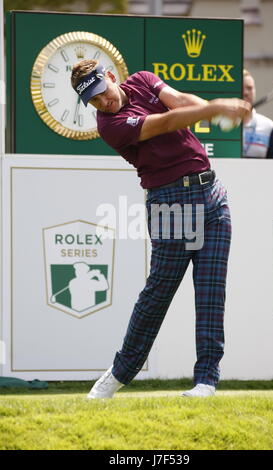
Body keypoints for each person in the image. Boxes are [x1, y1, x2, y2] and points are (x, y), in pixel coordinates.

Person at [71, 60, 251, 399]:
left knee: (211, 291)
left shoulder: (142, 80)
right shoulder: (111, 125)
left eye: (102, 92)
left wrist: (216, 111)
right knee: (157, 294)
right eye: (93, 101)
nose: (102, 102)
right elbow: (167, 121)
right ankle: (118, 374)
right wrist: (216, 108)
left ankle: (206, 381)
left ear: (111, 77)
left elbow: (179, 102)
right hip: (171, 203)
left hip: (212, 195)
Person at [243, 69, 273, 158]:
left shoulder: (268, 125)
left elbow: (272, 163)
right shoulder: (220, 122)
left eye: (249, 88)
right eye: (241, 88)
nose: (246, 92)